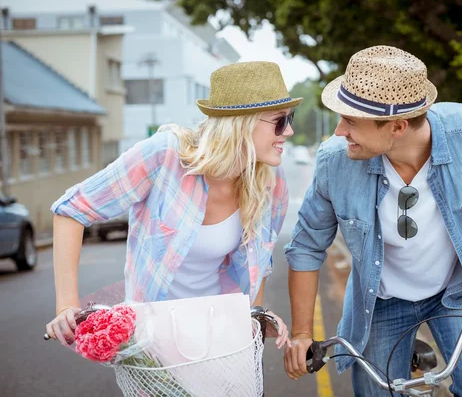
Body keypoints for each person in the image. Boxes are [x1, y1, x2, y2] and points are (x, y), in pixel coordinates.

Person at [283, 46, 462, 396]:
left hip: (459, 291)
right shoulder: (334, 162)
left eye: (351, 120)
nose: (340, 131)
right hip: (379, 301)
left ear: (398, 126)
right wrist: (302, 334)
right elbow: (307, 247)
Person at [45, 61, 300, 353]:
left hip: (225, 341)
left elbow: (259, 266)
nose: (289, 131)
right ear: (240, 123)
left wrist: (254, 319)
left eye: (289, 118)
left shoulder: (271, 183)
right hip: (156, 346)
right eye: (280, 120)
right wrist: (66, 304)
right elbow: (71, 210)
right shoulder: (166, 156)